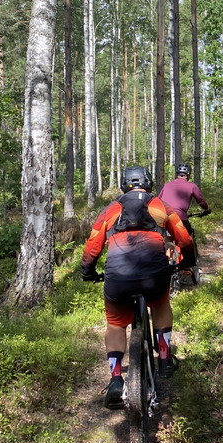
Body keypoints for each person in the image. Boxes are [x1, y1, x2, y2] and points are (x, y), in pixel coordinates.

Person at [81, 165, 193, 408]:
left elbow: (93, 245)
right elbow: (183, 237)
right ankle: (164, 358)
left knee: (115, 323)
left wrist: (87, 272)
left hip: (118, 277)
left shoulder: (110, 209)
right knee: (161, 304)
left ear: (123, 185)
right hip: (154, 274)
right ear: (149, 183)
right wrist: (188, 261)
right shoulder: (161, 206)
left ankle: (115, 379)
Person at [158, 163, 210, 272]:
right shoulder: (192, 186)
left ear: (177, 174)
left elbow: (158, 200)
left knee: (163, 240)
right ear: (188, 175)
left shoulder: (167, 185)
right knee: (187, 239)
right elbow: (200, 201)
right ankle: (187, 264)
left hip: (162, 217)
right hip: (179, 217)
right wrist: (206, 209)